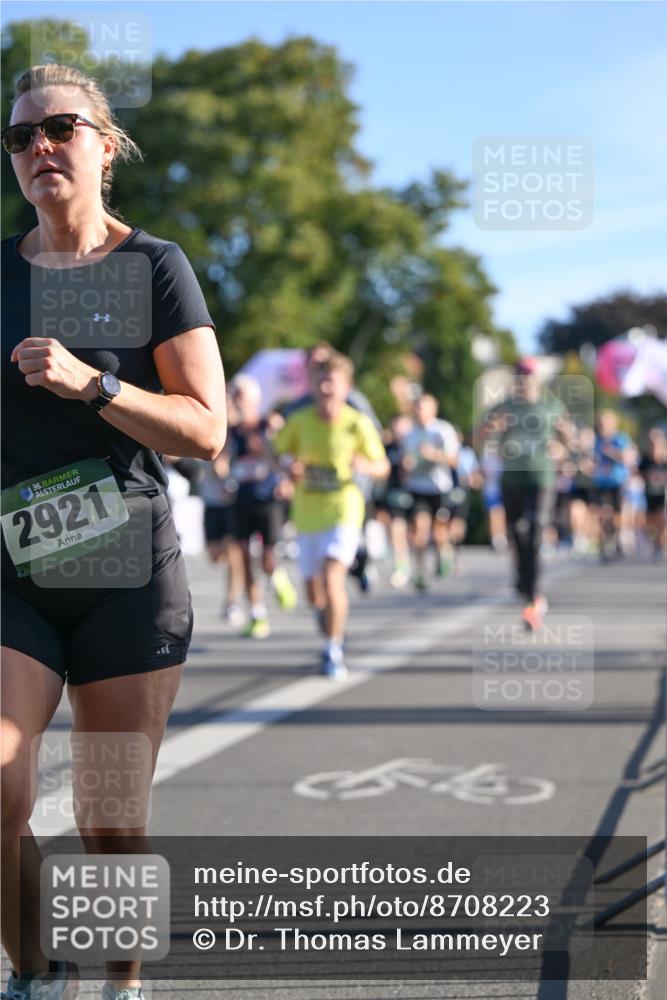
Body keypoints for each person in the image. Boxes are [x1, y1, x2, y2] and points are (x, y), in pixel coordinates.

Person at [1, 65, 226, 1000]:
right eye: (20, 137)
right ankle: (37, 976)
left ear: (105, 144)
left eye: (60, 128)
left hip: (126, 572)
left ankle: (122, 983)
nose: (39, 148)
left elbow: (207, 431)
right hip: (14, 572)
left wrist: (93, 383)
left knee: (109, 818)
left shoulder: (153, 268)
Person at [272, 352, 389, 677]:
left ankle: (332, 649)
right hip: (307, 513)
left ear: (346, 386)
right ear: (311, 384)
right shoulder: (300, 421)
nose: (325, 388)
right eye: (319, 380)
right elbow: (277, 453)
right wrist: (287, 470)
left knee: (332, 576)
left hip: (344, 509)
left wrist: (365, 465)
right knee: (314, 590)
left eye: (332, 381)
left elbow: (383, 466)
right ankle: (329, 623)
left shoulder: (357, 422)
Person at [482, 358, 569, 630]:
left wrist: (561, 446)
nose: (524, 381)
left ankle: (532, 597)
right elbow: (477, 437)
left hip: (541, 477)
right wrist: (490, 429)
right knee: (515, 533)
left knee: (532, 531)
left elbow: (567, 438)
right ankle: (523, 580)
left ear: (537, 379)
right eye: (520, 376)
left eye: (529, 376)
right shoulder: (504, 406)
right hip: (512, 479)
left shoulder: (551, 406)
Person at [225, 374, 297, 638]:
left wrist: (281, 473)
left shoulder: (270, 423)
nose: (239, 402)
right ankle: (257, 613)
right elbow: (221, 461)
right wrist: (222, 478)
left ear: (255, 399)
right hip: (241, 496)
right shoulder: (231, 430)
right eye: (235, 397)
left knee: (266, 558)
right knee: (243, 557)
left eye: (242, 397)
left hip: (268, 498)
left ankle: (276, 575)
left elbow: (286, 455)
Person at [401, 394, 459, 590]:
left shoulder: (443, 430)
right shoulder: (410, 434)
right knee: (419, 528)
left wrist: (433, 454)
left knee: (439, 531)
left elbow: (454, 460)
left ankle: (444, 554)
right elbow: (404, 463)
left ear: (433, 409)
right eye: (416, 407)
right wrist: (406, 467)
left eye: (423, 407)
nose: (419, 411)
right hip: (418, 487)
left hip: (439, 486)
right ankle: (419, 570)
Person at [590, 410, 634, 561]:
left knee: (616, 514)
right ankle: (604, 542)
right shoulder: (596, 440)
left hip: (617, 481)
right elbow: (592, 459)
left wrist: (612, 452)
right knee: (603, 513)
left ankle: (616, 538)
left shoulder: (620, 438)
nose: (603, 427)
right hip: (601, 482)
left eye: (606, 423)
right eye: (601, 424)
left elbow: (628, 458)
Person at [638, 428, 667, 558]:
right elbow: (638, 473)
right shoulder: (645, 460)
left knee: (662, 520)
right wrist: (648, 476)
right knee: (652, 523)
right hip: (649, 495)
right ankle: (657, 545)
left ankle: (661, 546)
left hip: (664, 496)